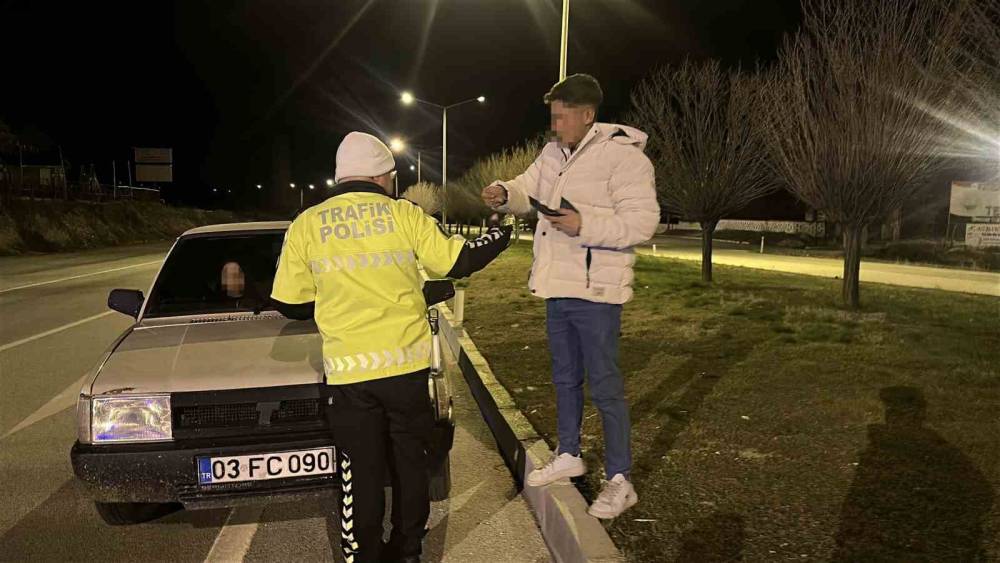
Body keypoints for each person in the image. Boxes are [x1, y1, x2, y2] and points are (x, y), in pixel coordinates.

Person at [271, 131, 512, 563]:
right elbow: (457, 261)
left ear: (342, 177)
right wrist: (501, 237)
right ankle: (408, 552)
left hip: (349, 376)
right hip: (406, 369)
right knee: (409, 465)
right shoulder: (403, 214)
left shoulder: (307, 223)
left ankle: (364, 555)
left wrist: (335, 299)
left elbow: (290, 303)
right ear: (385, 177)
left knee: (359, 471)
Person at [482, 74, 659, 519]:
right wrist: (506, 193)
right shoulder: (552, 153)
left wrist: (585, 224)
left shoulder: (625, 160)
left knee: (605, 385)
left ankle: (620, 479)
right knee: (564, 378)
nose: (555, 125)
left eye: (561, 118)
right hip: (557, 286)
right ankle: (570, 453)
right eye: (552, 118)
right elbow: (527, 188)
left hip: (596, 291)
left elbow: (641, 223)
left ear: (587, 115)